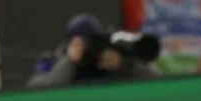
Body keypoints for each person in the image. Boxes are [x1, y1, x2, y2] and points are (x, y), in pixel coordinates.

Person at [27, 13, 159, 88]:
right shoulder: (52, 59)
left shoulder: (108, 61)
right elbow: (34, 88)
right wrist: (69, 62)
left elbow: (157, 81)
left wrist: (123, 65)